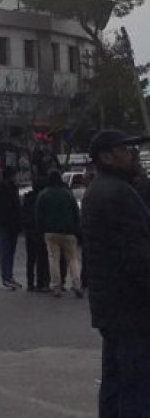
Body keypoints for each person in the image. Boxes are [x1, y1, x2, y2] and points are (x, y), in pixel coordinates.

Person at [82, 130, 150, 416]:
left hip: (111, 307)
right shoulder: (119, 194)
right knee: (137, 387)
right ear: (107, 156)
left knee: (115, 382)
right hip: (132, 308)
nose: (132, 153)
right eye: (126, 148)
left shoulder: (98, 189)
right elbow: (138, 258)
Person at [37, 169, 83, 298]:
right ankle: (76, 284)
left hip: (50, 232)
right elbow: (76, 212)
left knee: (53, 258)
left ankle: (56, 286)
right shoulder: (67, 194)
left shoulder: (43, 194)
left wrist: (42, 230)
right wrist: (76, 228)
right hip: (68, 231)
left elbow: (38, 215)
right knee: (73, 258)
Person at [0, 166, 23, 290]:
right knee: (5, 252)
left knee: (10, 252)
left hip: (12, 225)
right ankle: (6, 277)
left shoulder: (13, 188)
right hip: (4, 225)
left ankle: (9, 276)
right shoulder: (1, 189)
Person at [21, 175, 51, 293]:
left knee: (31, 258)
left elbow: (23, 213)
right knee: (42, 257)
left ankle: (30, 283)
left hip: (30, 230)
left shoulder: (28, 198)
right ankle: (41, 282)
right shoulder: (43, 198)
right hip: (40, 230)